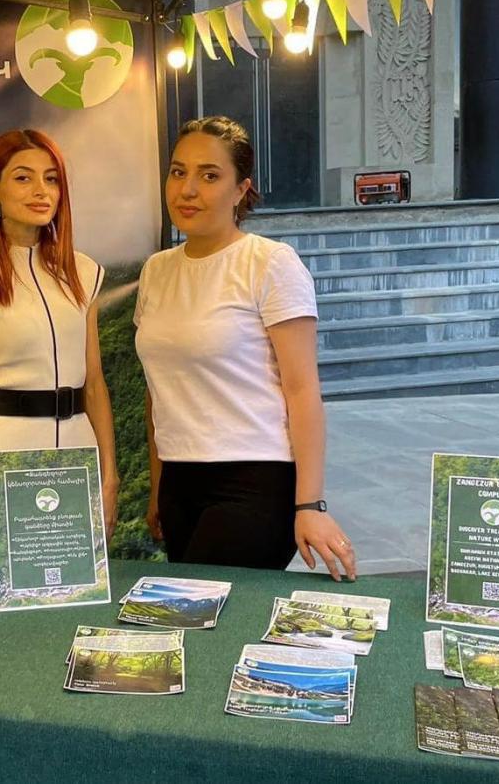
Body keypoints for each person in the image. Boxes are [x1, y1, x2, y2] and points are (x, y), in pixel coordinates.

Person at [134, 115, 357, 581]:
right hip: (179, 480)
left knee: (199, 606)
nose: (187, 189)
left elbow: (302, 390)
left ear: (241, 189)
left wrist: (310, 504)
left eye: (209, 176)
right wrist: (158, 487)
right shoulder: (157, 270)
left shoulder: (270, 263)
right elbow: (159, 391)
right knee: (194, 612)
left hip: (254, 480)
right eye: (178, 172)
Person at [0, 129, 118, 564]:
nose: (41, 190)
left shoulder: (85, 273)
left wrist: (110, 478)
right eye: (23, 177)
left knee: (78, 586)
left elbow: (94, 384)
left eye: (51, 179)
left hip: (80, 450)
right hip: (7, 453)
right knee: (10, 587)